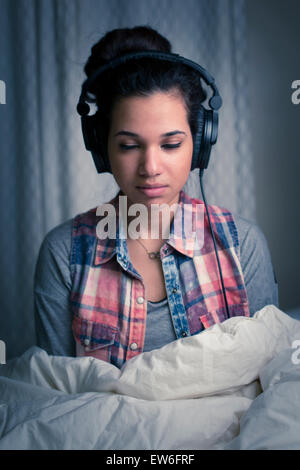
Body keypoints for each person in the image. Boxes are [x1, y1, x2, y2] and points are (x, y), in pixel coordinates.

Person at [34, 25, 278, 369]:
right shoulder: (62, 254)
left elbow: (272, 381)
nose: (150, 167)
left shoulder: (243, 245)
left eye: (171, 144)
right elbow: (57, 396)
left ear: (200, 142)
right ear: (102, 149)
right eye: (129, 146)